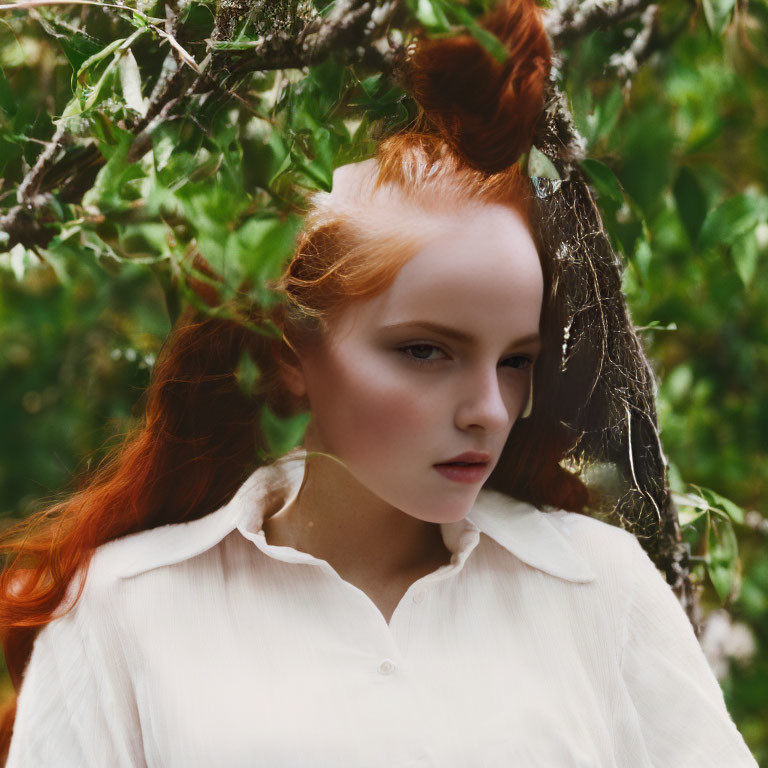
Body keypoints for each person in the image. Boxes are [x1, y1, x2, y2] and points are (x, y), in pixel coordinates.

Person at [0, 0, 759, 766]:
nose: (489, 412)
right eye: (427, 352)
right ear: (289, 350)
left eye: (516, 361)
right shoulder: (125, 608)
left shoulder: (599, 588)